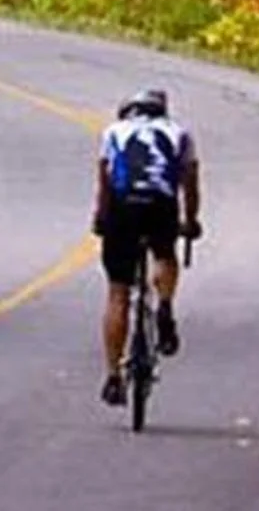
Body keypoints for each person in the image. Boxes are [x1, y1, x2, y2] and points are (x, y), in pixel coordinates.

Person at [92, 85, 201, 406]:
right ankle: (165, 305)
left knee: (118, 292)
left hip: (123, 208)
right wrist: (191, 221)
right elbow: (190, 183)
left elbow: (105, 183)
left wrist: (100, 219)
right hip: (161, 205)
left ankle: (113, 377)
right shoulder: (179, 133)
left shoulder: (114, 132)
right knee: (164, 254)